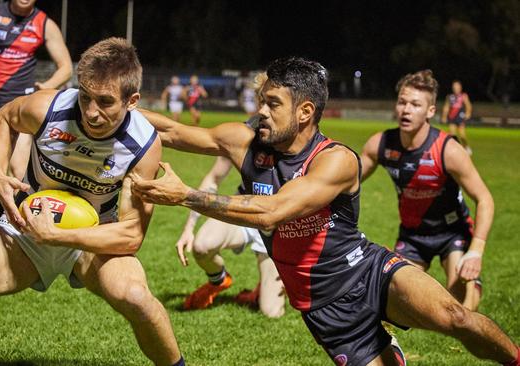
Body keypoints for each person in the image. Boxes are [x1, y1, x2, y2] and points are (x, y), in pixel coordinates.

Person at [131, 57, 520, 365]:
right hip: (322, 305)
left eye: (272, 104)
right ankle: (386, 349)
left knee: (456, 317)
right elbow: (171, 131)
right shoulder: (245, 142)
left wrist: (185, 195)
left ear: (304, 111)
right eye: (260, 101)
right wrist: (110, 106)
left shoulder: (335, 160)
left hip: (367, 271)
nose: (260, 111)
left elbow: (273, 212)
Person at [0, 38, 184, 366]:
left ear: (131, 101)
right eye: (86, 96)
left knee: (136, 298)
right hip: (28, 225)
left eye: (105, 102)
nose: (91, 112)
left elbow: (131, 235)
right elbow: (6, 117)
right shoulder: (49, 107)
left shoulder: (143, 145)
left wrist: (57, 236)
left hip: (94, 239)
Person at [361, 70, 488, 311]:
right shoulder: (381, 144)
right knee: (394, 300)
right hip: (412, 235)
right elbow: (347, 183)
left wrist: (476, 251)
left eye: (415, 104)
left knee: (460, 310)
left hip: (453, 232)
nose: (406, 110)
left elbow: (485, 199)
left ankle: (471, 282)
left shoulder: (448, 150)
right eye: (402, 102)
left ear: (430, 112)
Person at [0, 0, 72, 196]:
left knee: (19, 173)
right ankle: (4, 212)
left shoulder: (44, 24)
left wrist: (47, 86)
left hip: (19, 107)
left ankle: (19, 223)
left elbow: (66, 67)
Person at [175, 155, 285, 317]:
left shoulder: (303, 144)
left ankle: (261, 290)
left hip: (278, 226)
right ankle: (218, 280)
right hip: (243, 212)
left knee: (272, 313)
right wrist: (188, 229)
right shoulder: (245, 135)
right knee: (202, 245)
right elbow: (213, 178)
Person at [441, 80, 472, 154]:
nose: (456, 88)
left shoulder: (464, 96)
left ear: (460, 87)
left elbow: (468, 105)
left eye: (457, 86)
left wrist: (468, 113)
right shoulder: (449, 97)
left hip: (460, 117)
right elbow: (446, 107)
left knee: (462, 135)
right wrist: (444, 116)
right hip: (452, 117)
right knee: (453, 135)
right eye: (454, 87)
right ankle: (457, 149)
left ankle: (466, 146)